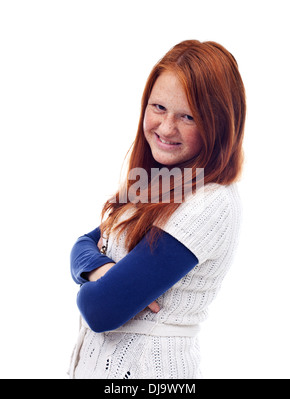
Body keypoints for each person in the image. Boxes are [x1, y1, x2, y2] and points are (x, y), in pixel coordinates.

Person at [68, 39, 246, 379]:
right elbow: (83, 243)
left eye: (188, 116)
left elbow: (101, 308)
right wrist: (99, 272)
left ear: (219, 124)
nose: (166, 128)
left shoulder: (211, 202)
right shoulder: (154, 179)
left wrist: (95, 278)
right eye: (159, 107)